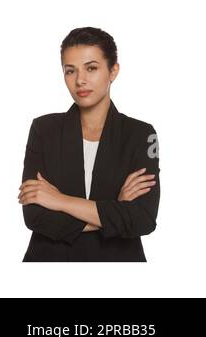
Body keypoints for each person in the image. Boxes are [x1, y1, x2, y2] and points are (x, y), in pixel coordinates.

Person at [18, 27, 159, 262]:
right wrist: (115, 209)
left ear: (113, 70)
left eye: (91, 68)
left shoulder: (141, 134)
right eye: (70, 71)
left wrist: (60, 201)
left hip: (118, 265)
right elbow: (35, 216)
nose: (80, 80)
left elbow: (142, 218)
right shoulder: (43, 130)